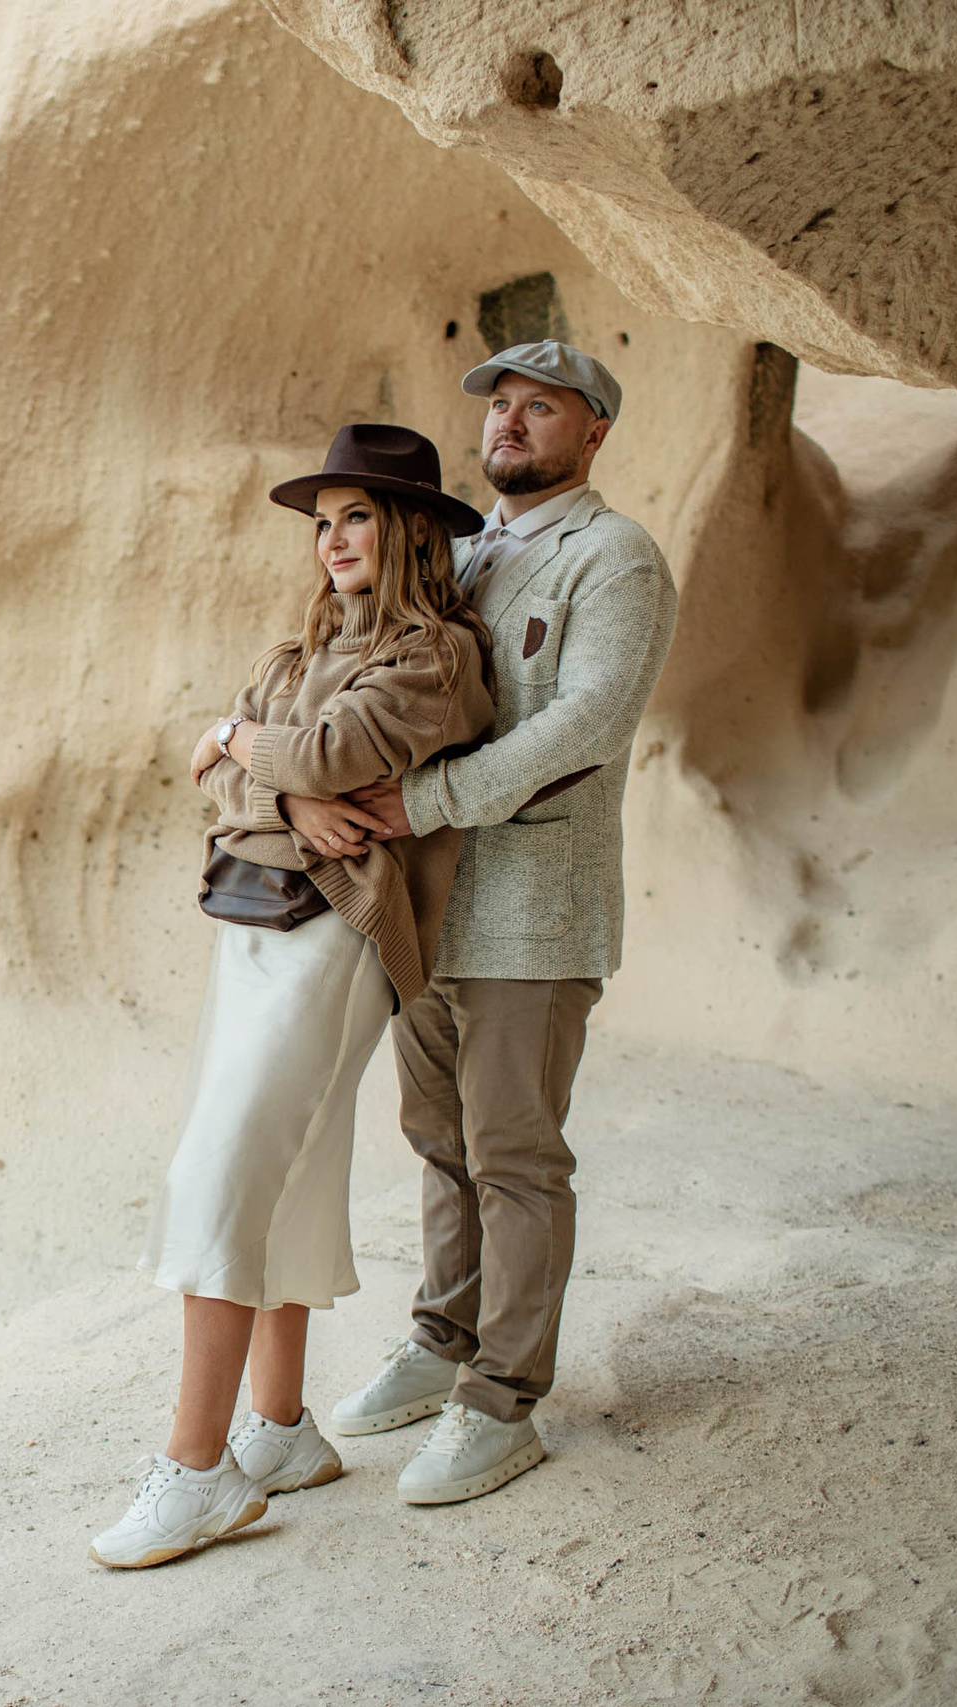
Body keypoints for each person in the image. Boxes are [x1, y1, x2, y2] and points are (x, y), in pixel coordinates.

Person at [91, 423, 496, 1570]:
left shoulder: (437, 659)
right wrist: (268, 775)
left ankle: (196, 1470)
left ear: (410, 529)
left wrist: (247, 752)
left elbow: (319, 756)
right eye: (321, 524)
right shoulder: (291, 652)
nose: (331, 542)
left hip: (340, 937)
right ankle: (276, 1432)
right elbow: (221, 778)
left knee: (223, 1164)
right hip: (250, 928)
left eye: (355, 517)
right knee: (294, 1157)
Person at [299, 341, 678, 1506]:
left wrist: (422, 801)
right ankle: (441, 1338)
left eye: (541, 408)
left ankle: (501, 1399)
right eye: (499, 407)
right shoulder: (452, 553)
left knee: (513, 1155)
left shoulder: (613, 559)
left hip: (531, 909)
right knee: (435, 1137)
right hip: (423, 907)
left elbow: (584, 727)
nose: (509, 423)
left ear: (592, 433)